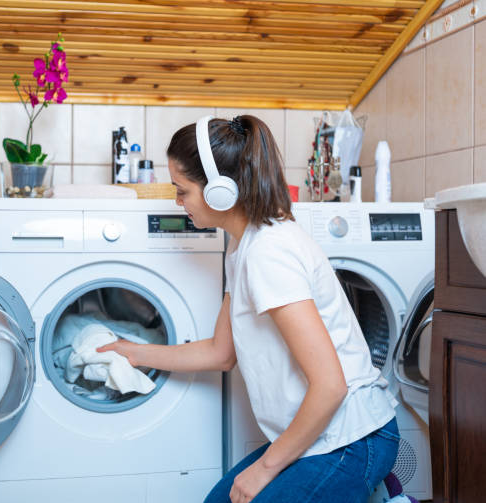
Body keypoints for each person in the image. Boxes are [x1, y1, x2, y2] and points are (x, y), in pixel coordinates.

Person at [98, 115, 400, 503]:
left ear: (220, 192)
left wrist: (264, 469)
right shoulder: (243, 247)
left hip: (354, 438)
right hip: (322, 435)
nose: (177, 202)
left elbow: (330, 386)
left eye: (182, 190)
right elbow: (221, 353)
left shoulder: (268, 253)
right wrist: (134, 352)